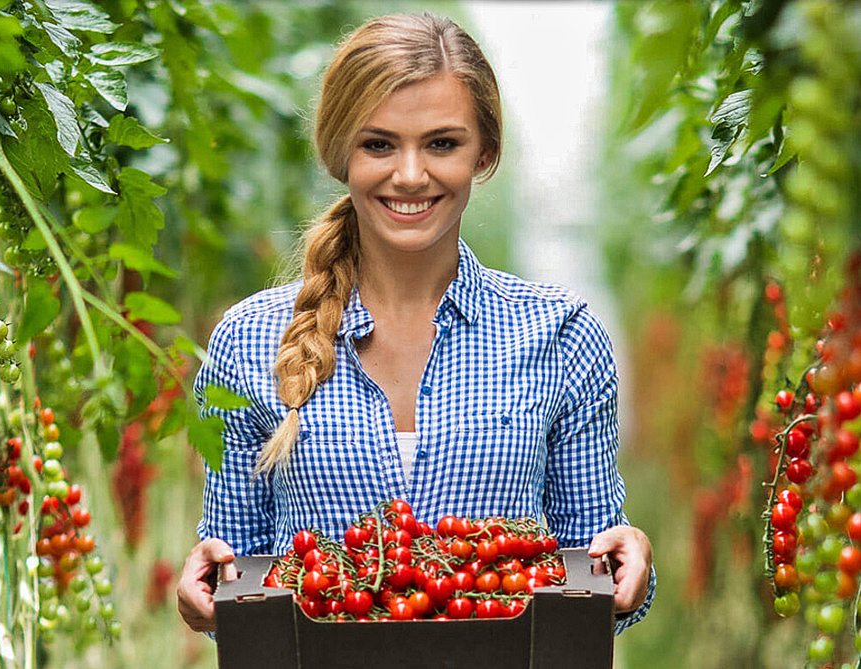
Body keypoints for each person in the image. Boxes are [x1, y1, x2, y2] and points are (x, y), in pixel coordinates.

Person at [177, 12, 654, 637]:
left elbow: (588, 593)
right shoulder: (249, 342)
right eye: (378, 144)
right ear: (338, 152)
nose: (409, 174)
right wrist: (205, 590)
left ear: (484, 152)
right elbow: (239, 588)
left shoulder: (561, 336)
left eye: (441, 143)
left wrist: (629, 569)